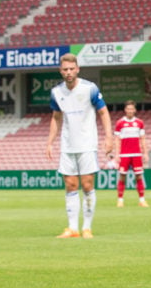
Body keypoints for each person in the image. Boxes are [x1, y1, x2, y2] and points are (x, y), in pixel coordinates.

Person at [46, 53, 113, 239]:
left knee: (87, 184)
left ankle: (87, 228)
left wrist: (109, 137)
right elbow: (56, 118)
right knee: (70, 184)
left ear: (77, 69)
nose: (68, 72)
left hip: (87, 144)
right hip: (67, 145)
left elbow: (104, 112)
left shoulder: (89, 88)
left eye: (71, 69)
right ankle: (72, 228)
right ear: (61, 71)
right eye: (65, 69)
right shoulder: (57, 92)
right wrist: (50, 142)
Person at [114, 100, 149, 207]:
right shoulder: (120, 123)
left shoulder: (139, 123)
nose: (130, 111)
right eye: (128, 109)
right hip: (124, 154)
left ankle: (142, 200)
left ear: (135, 110)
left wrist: (145, 153)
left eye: (131, 109)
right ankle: (120, 200)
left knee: (139, 176)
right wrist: (117, 154)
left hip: (136, 154)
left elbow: (142, 139)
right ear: (125, 110)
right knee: (122, 177)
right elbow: (117, 139)